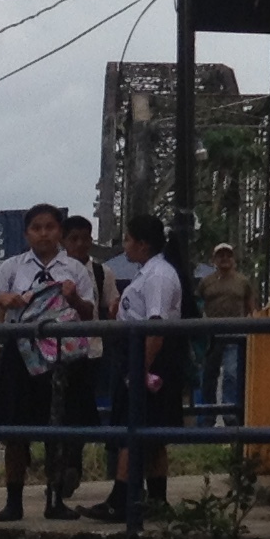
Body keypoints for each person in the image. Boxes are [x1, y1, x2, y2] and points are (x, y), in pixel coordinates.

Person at [0, 204, 97, 522]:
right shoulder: (14, 267)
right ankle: (13, 500)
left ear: (59, 232)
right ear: (27, 233)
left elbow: (89, 313)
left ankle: (55, 498)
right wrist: (3, 299)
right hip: (22, 354)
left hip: (63, 357)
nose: (44, 233)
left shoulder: (75, 269)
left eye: (50, 227)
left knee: (58, 427)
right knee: (16, 428)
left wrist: (72, 299)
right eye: (37, 228)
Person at [96, 209, 184, 520]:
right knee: (149, 431)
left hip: (147, 354)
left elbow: (156, 326)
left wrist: (140, 369)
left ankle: (122, 499)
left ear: (143, 244)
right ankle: (155, 500)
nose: (125, 244)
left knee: (132, 428)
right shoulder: (147, 271)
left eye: (129, 239)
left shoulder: (158, 275)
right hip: (137, 350)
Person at [53, 215, 111, 505]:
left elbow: (109, 309)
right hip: (55, 352)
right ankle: (60, 469)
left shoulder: (101, 273)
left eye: (84, 238)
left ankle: (71, 464)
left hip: (90, 351)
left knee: (80, 409)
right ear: (64, 241)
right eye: (73, 238)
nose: (79, 244)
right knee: (56, 411)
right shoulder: (54, 271)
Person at [196, 240, 256, 423]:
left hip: (235, 334)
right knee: (209, 375)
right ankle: (208, 416)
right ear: (214, 259)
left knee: (231, 373)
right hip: (211, 334)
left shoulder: (243, 281)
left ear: (233, 258)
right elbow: (198, 304)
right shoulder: (206, 282)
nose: (224, 258)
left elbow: (251, 307)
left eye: (227, 255)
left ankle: (230, 417)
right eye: (220, 255)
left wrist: (249, 323)